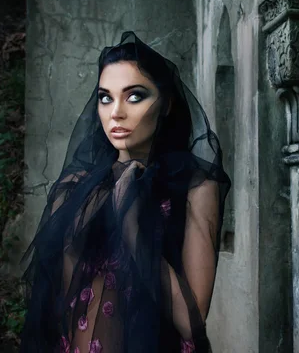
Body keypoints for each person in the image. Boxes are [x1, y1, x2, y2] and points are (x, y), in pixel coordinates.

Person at [20, 31, 231, 353]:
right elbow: (54, 302)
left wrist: (131, 211)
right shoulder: (77, 185)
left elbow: (192, 322)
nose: (115, 112)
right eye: (106, 97)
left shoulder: (195, 185)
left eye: (134, 96)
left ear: (167, 104)